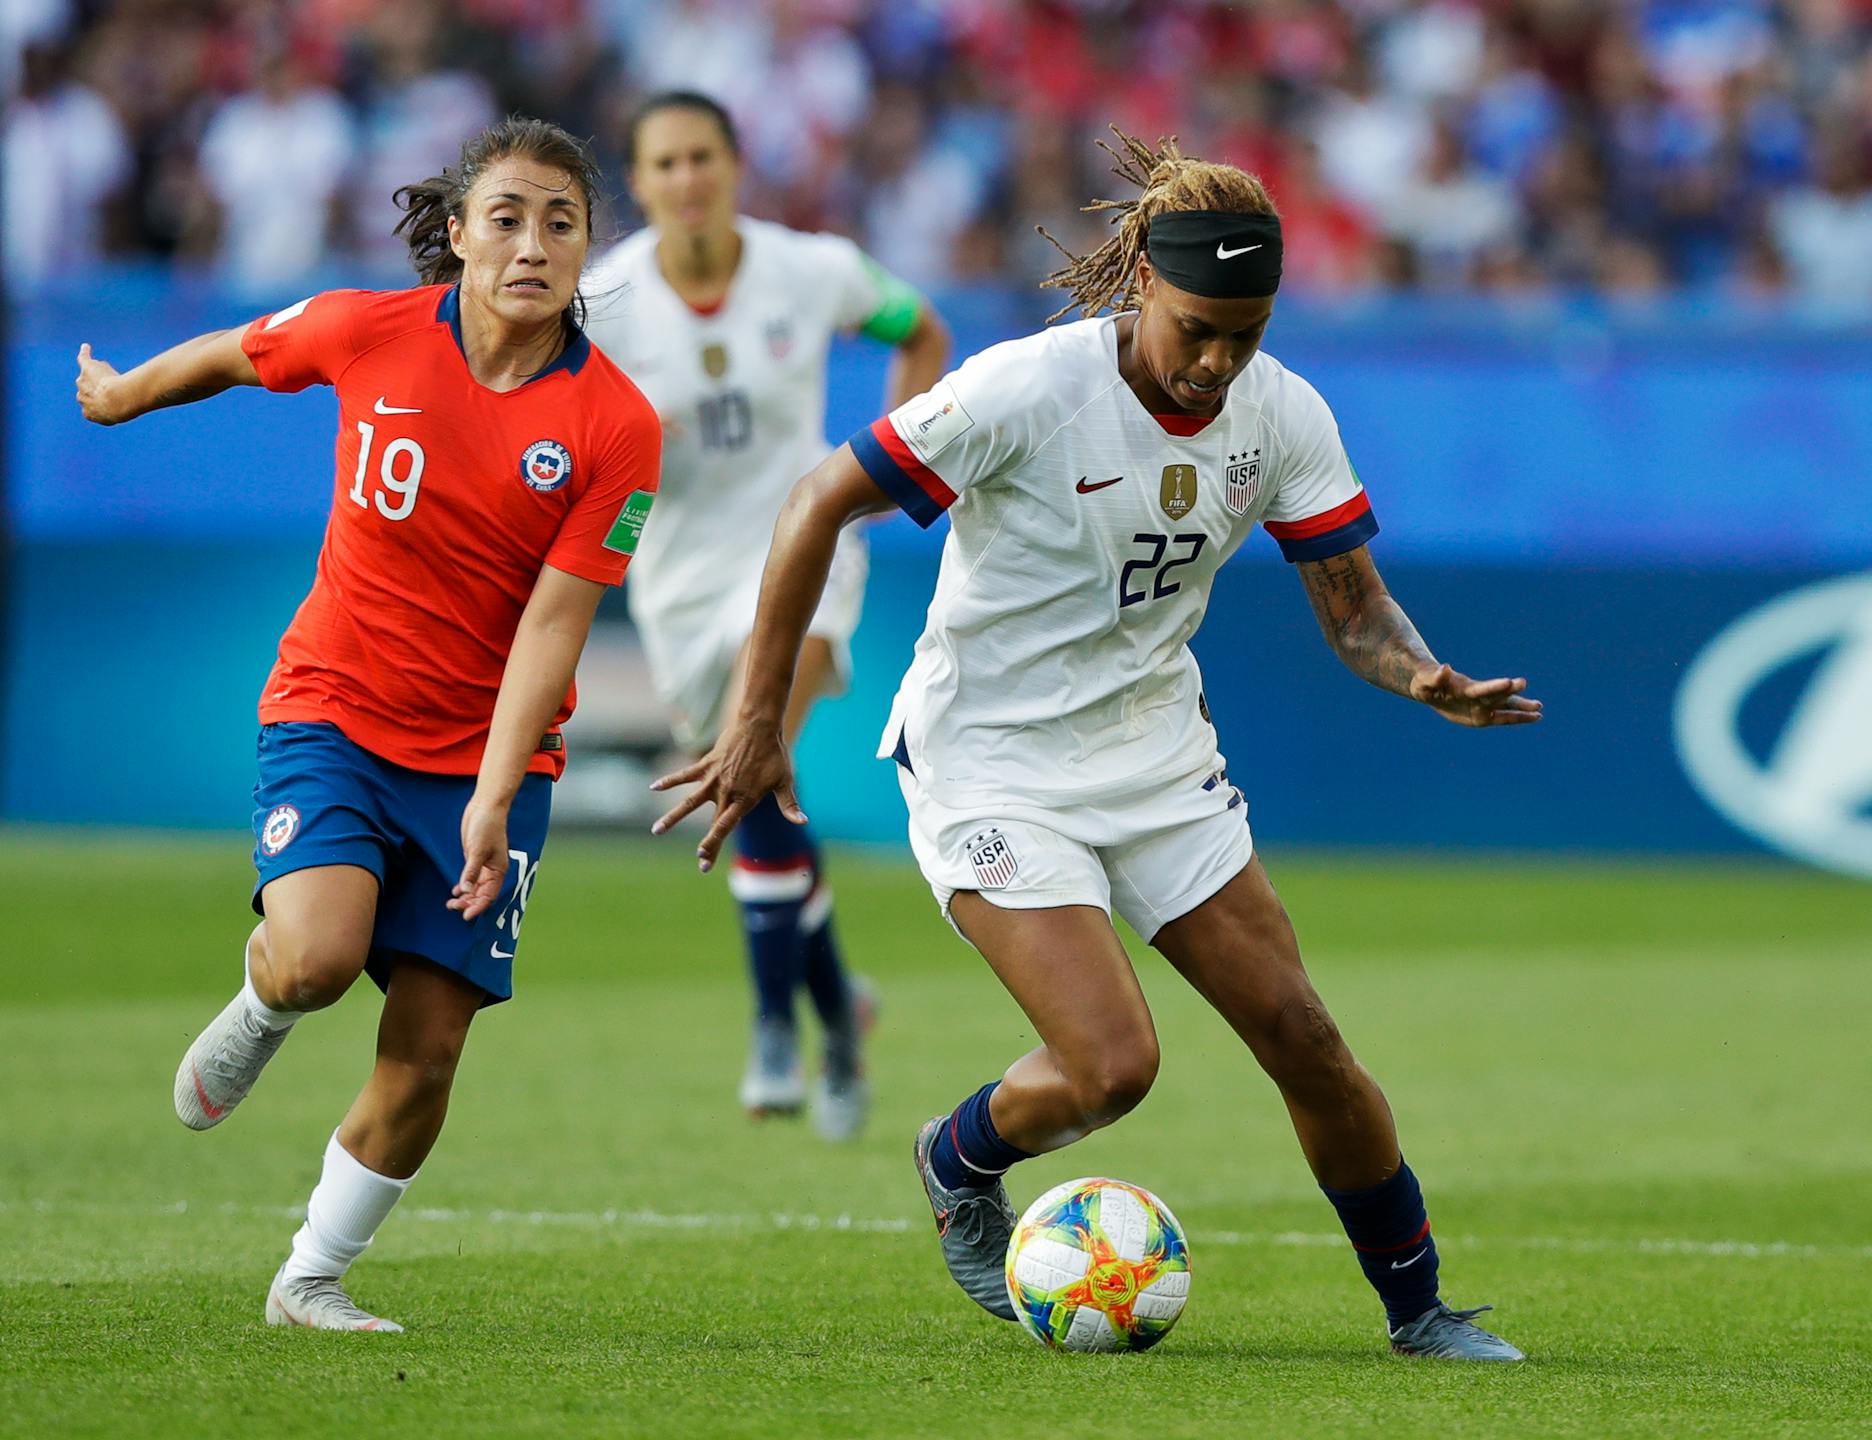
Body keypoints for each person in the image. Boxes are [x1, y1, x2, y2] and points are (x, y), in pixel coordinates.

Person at [654, 133, 1539, 1361]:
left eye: (1249, 331)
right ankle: (958, 1157)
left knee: (1305, 1038)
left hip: (1152, 754)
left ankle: (1422, 1310)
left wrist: (1420, 673)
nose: (1220, 361)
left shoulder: (1280, 414)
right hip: (992, 759)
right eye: (1198, 330)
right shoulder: (1024, 389)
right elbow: (817, 501)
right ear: (1143, 291)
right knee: (1115, 1065)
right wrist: (754, 721)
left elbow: (1355, 607)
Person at [74, 117, 660, 1333]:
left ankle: (310, 1279)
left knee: (429, 1048)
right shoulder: (367, 328)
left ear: (588, 247)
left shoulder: (617, 429)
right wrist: (123, 395)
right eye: (506, 216)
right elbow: (240, 353)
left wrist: (497, 794)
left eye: (562, 221)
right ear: (456, 237)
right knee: (317, 957)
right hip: (334, 709)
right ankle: (265, 1006)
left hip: (488, 758)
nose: (533, 243)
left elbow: (557, 627)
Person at [585, 91, 950, 1139]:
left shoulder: (811, 268)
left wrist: (884, 468)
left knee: (757, 761)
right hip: (682, 577)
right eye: (665, 163)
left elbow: (917, 325)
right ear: (642, 184)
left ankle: (774, 1029)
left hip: (807, 545)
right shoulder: (605, 305)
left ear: (735, 166)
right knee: (758, 787)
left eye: (704, 156)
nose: (687, 179)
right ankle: (839, 1013)